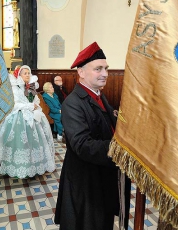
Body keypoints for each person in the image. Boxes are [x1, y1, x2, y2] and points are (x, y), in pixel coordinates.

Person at [55, 42, 130, 230]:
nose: (105, 73)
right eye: (98, 69)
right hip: (85, 183)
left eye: (106, 68)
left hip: (103, 176)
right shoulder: (72, 103)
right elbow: (82, 145)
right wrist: (120, 148)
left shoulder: (98, 95)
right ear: (81, 72)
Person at [0, 65, 56, 179]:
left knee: (35, 141)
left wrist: (35, 105)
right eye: (25, 73)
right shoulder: (14, 87)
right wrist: (28, 106)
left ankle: (34, 165)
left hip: (33, 115)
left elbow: (36, 100)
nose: (28, 75)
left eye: (29, 73)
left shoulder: (32, 87)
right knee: (21, 142)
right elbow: (13, 104)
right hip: (18, 117)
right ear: (19, 75)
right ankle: (18, 166)